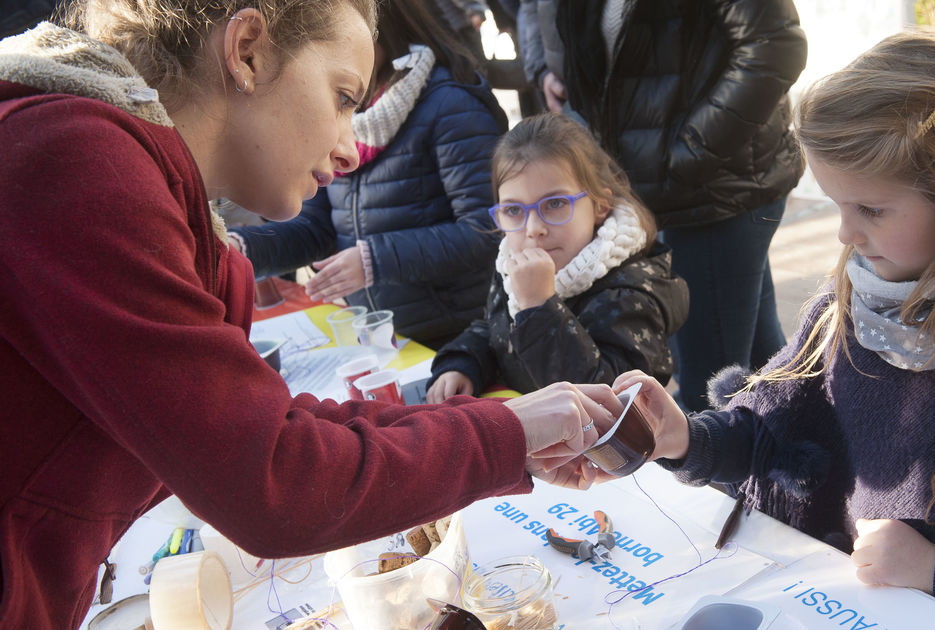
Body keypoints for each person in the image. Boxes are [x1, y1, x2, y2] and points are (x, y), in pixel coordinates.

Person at [0, 2, 615, 627]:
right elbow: (272, 478)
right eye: (344, 97)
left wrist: (504, 427)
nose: (350, 150)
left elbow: (269, 426)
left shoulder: (108, 164)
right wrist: (501, 435)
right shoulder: (74, 162)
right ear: (246, 51)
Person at [594, 30, 935, 628]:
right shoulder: (846, 304)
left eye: (871, 209)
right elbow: (778, 434)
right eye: (836, 205)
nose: (846, 235)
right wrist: (685, 438)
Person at [554, 0, 808, 412]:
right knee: (763, 367)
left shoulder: (691, 170)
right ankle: (803, 459)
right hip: (670, 189)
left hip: (712, 193)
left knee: (711, 396)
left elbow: (775, 44)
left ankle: (762, 467)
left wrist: (688, 154)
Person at [228, 0, 506, 348]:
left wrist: (376, 258)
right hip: (382, 338)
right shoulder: (344, 116)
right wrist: (241, 248)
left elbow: (489, 229)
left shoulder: (451, 104)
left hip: (461, 340)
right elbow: (316, 230)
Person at [426, 113, 689, 402]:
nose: (533, 229)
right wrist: (464, 364)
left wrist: (539, 307)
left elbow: (613, 406)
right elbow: (494, 330)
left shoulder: (628, 294)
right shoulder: (513, 264)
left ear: (600, 206)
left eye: (554, 204)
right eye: (513, 210)